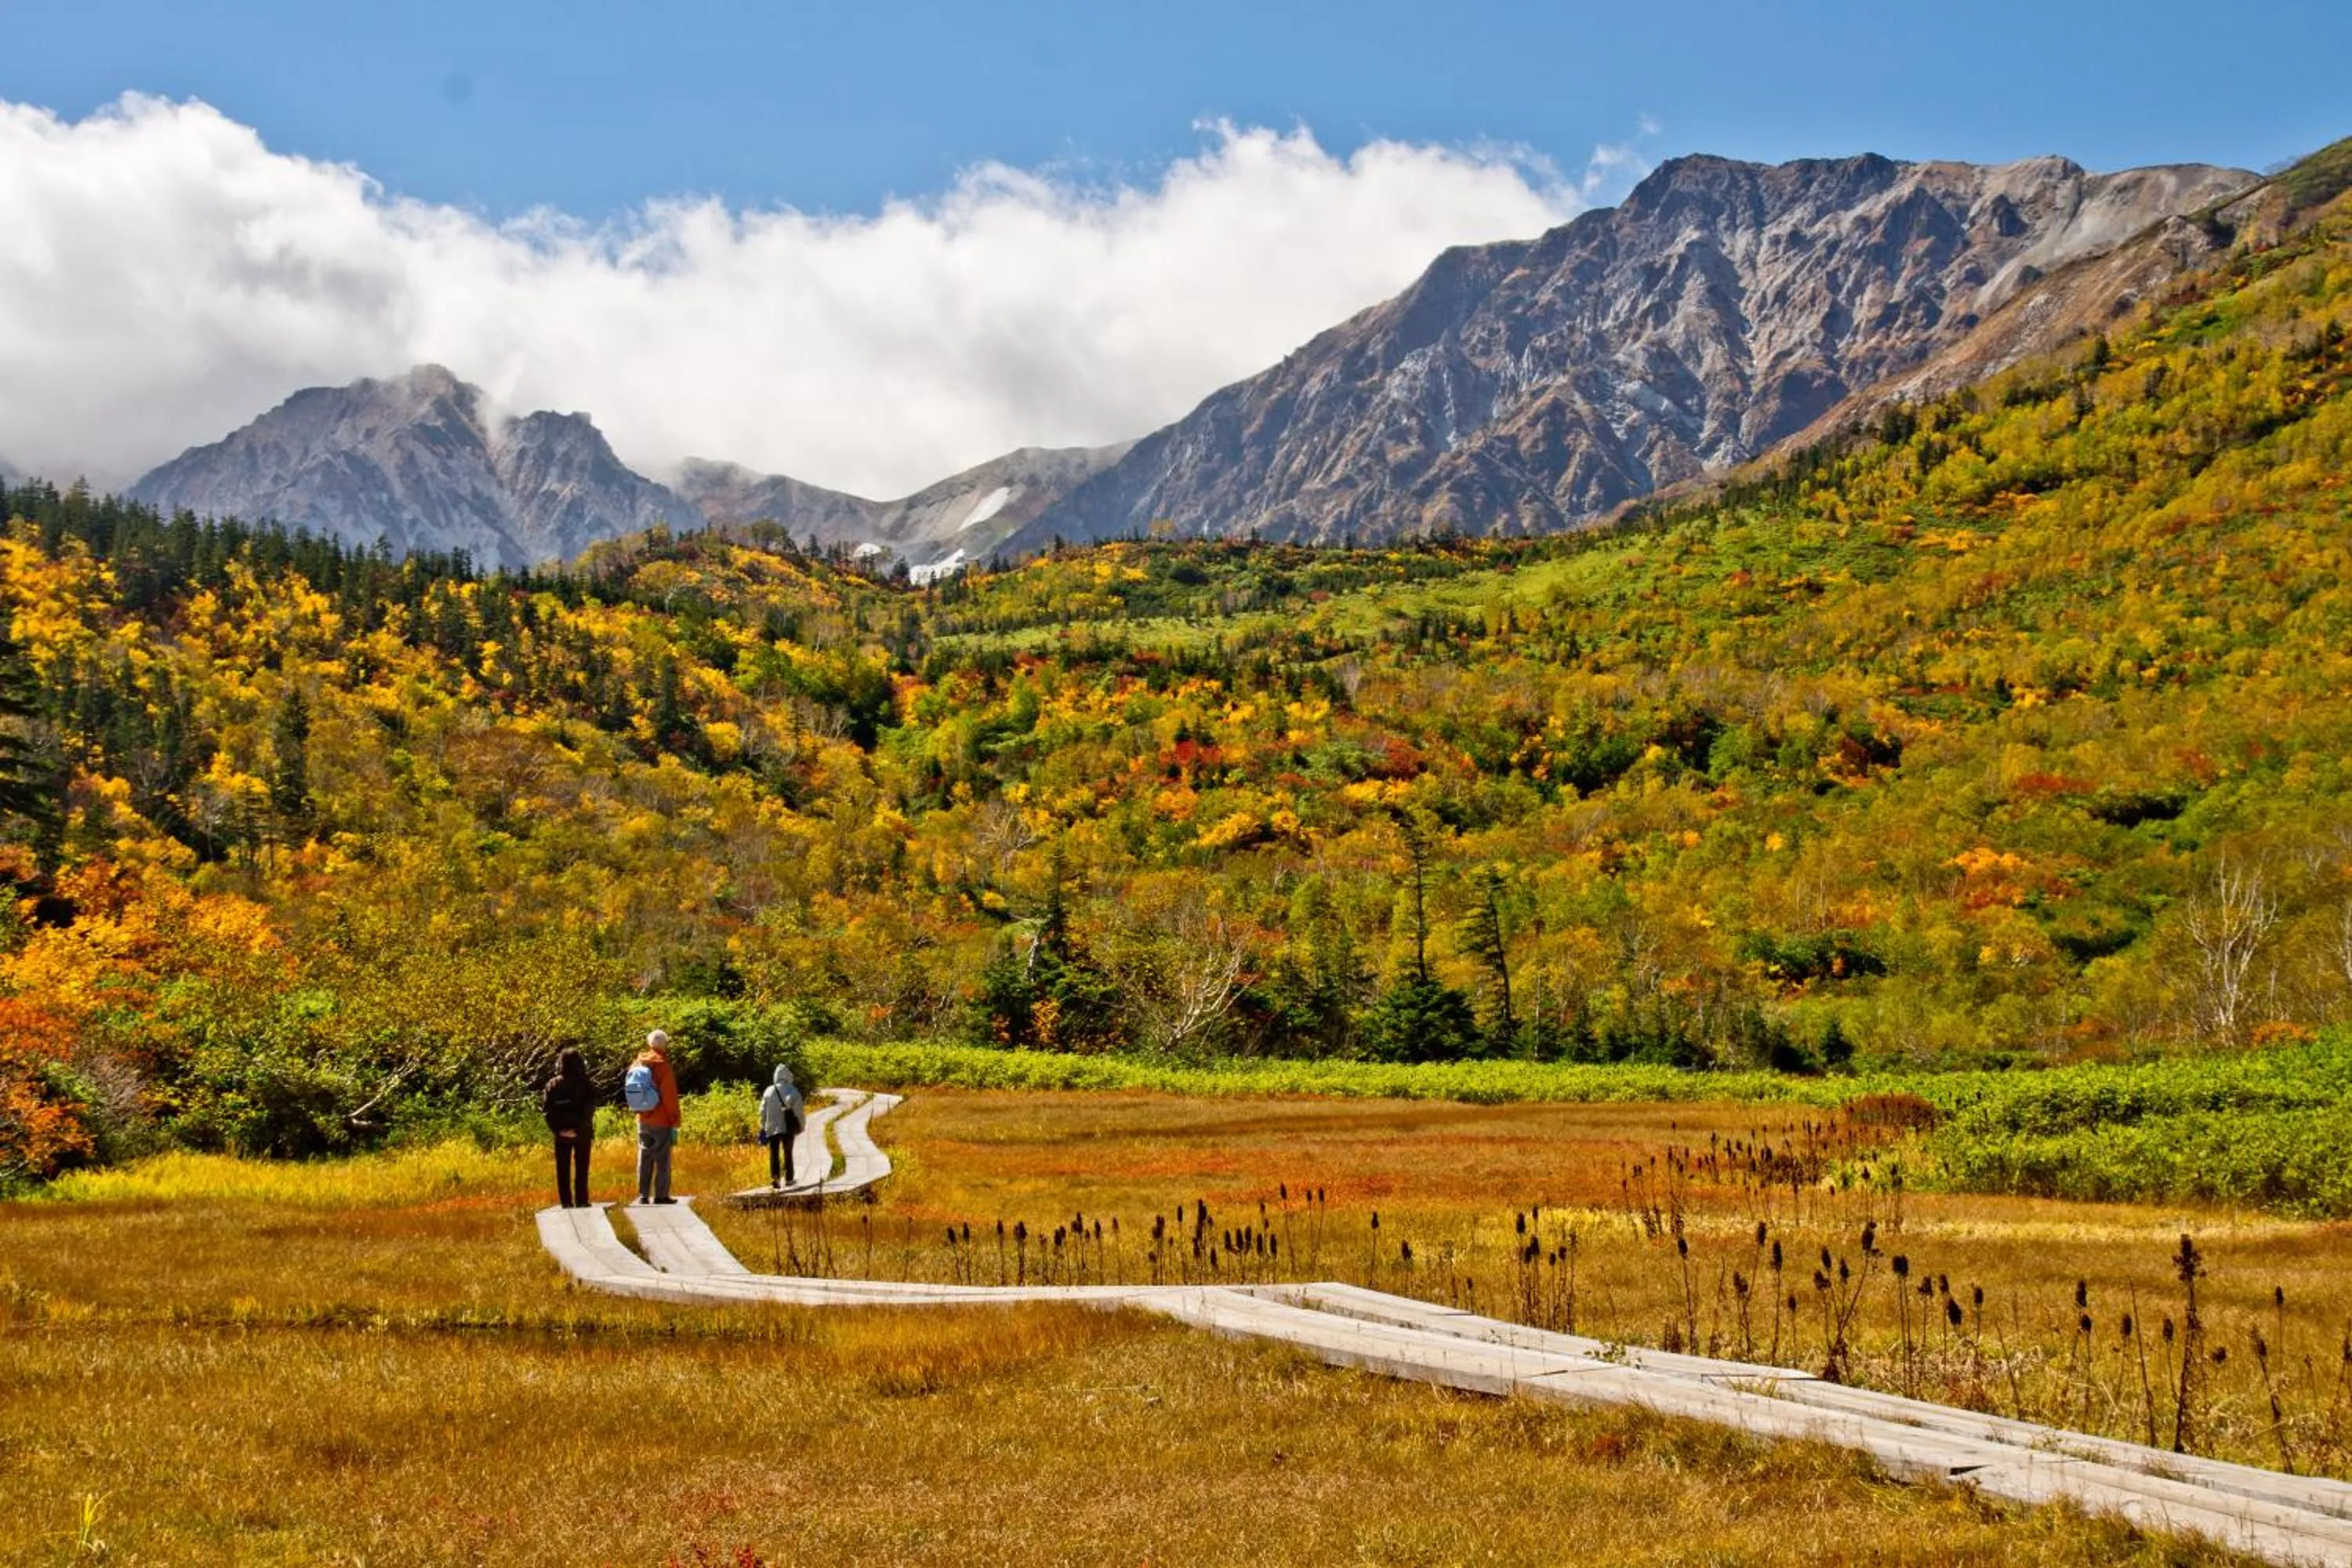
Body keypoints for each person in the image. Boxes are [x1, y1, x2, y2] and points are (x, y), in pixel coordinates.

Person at [629, 1029, 682, 1204]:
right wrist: (675, 1119)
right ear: (664, 1045)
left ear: (649, 1044)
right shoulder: (662, 1065)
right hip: (661, 1120)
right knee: (663, 1159)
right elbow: (670, 1096)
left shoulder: (638, 1063)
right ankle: (661, 1196)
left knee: (645, 1156)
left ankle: (643, 1195)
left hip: (643, 1119)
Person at [540, 1047, 595, 1207]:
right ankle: (582, 1200)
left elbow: (547, 1111)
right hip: (582, 1133)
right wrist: (577, 1129)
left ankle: (566, 1202)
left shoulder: (553, 1084)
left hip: (561, 1134)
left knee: (562, 1169)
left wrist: (559, 1130)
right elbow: (589, 1109)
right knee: (582, 1167)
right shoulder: (585, 1083)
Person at [757, 1064, 806, 1189]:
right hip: (788, 1128)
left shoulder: (769, 1091)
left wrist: (763, 1125)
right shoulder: (793, 1091)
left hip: (772, 1127)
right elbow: (799, 1112)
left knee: (774, 1153)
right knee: (788, 1152)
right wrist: (801, 1126)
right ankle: (789, 1179)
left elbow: (762, 1110)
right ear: (787, 1076)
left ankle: (775, 1179)